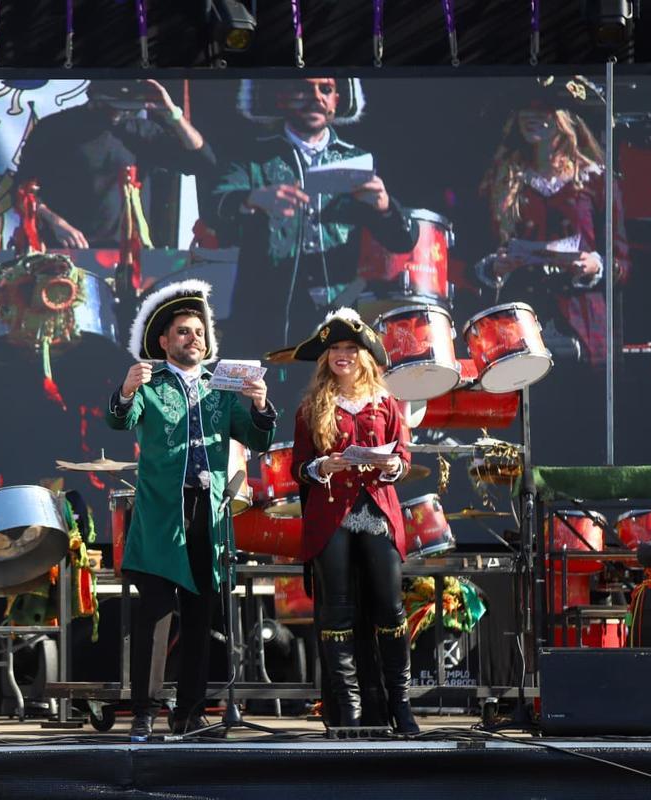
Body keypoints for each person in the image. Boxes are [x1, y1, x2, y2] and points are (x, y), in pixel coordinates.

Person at [106, 279, 277, 740]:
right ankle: (144, 712)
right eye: (183, 331)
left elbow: (256, 438)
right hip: (164, 512)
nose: (193, 338)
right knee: (157, 614)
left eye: (198, 331)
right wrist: (125, 391)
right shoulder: (150, 381)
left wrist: (260, 403)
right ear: (164, 341)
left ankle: (191, 712)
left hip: (210, 513)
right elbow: (121, 419)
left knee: (202, 614)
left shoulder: (219, 387)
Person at [211, 78, 416, 356]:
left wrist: (384, 206)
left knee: (327, 396)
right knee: (263, 396)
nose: (316, 97)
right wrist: (253, 198)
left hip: (336, 317)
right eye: (303, 89)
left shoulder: (357, 159)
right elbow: (215, 207)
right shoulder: (252, 155)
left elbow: (403, 241)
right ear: (281, 97)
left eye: (326, 89)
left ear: (336, 102)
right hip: (263, 315)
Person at [287, 307, 419, 734]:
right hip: (331, 516)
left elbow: (402, 456)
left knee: (390, 607)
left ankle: (400, 707)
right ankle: (349, 711)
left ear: (364, 355)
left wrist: (393, 467)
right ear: (325, 358)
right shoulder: (312, 407)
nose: (342, 355)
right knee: (337, 613)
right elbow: (299, 467)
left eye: (350, 348)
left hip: (377, 510)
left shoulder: (388, 402)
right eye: (335, 349)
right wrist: (322, 467)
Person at [477, 75, 629, 369]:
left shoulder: (596, 180)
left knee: (583, 408)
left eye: (542, 109)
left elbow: (623, 262)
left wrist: (596, 266)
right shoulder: (499, 180)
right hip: (517, 322)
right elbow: (472, 251)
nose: (530, 117)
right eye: (525, 109)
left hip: (584, 323)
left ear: (564, 119)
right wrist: (494, 267)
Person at [15, 78, 215, 249]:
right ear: (95, 99)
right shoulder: (55, 128)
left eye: (127, 108)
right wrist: (55, 222)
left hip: (127, 254)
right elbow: (21, 189)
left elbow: (202, 161)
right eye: (114, 107)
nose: (120, 113)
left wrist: (173, 115)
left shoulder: (139, 131)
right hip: (65, 249)